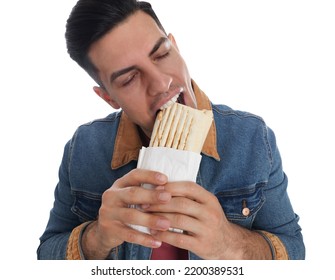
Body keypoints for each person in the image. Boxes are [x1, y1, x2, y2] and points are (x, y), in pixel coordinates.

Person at [37, 0, 305, 260]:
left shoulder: (253, 138)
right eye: (130, 78)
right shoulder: (84, 148)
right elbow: (46, 252)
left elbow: (294, 249)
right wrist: (95, 239)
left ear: (175, 47)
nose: (161, 82)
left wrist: (230, 244)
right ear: (109, 98)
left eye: (162, 54)